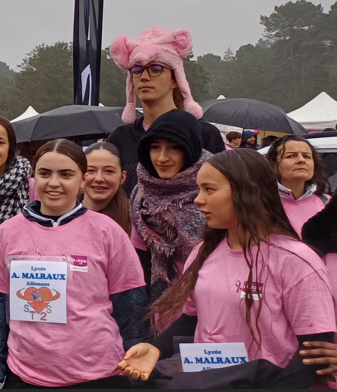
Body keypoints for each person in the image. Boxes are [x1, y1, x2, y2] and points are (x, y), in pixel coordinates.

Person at [119, 149, 336, 388]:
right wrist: (155, 348)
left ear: (248, 191)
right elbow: (193, 319)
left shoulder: (296, 260)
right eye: (199, 189)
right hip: (208, 383)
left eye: (209, 189)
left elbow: (315, 355)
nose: (198, 199)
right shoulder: (203, 252)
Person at [0, 139, 146, 388]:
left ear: (82, 181)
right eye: (45, 174)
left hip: (99, 376)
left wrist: (135, 371)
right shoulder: (7, 233)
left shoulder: (107, 231)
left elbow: (131, 308)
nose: (54, 183)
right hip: (26, 376)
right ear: (35, 179)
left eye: (66, 174)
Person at [108, 28, 225, 193]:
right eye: (137, 70)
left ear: (175, 79)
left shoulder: (203, 133)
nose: (144, 77)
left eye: (156, 69)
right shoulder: (119, 138)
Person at [130, 109, 213, 303]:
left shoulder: (215, 188)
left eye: (174, 148)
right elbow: (140, 259)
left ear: (190, 148)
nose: (162, 158)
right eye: (155, 147)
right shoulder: (141, 194)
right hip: (159, 304)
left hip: (208, 301)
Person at [268, 135, 330, 235]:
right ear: (274, 166)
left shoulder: (327, 203)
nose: (301, 160)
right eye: (291, 156)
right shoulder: (260, 204)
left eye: (307, 156)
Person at [83, 142, 133, 235]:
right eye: (91, 170)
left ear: (122, 177)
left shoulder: (136, 220)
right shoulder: (62, 215)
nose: (98, 178)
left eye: (108, 171)